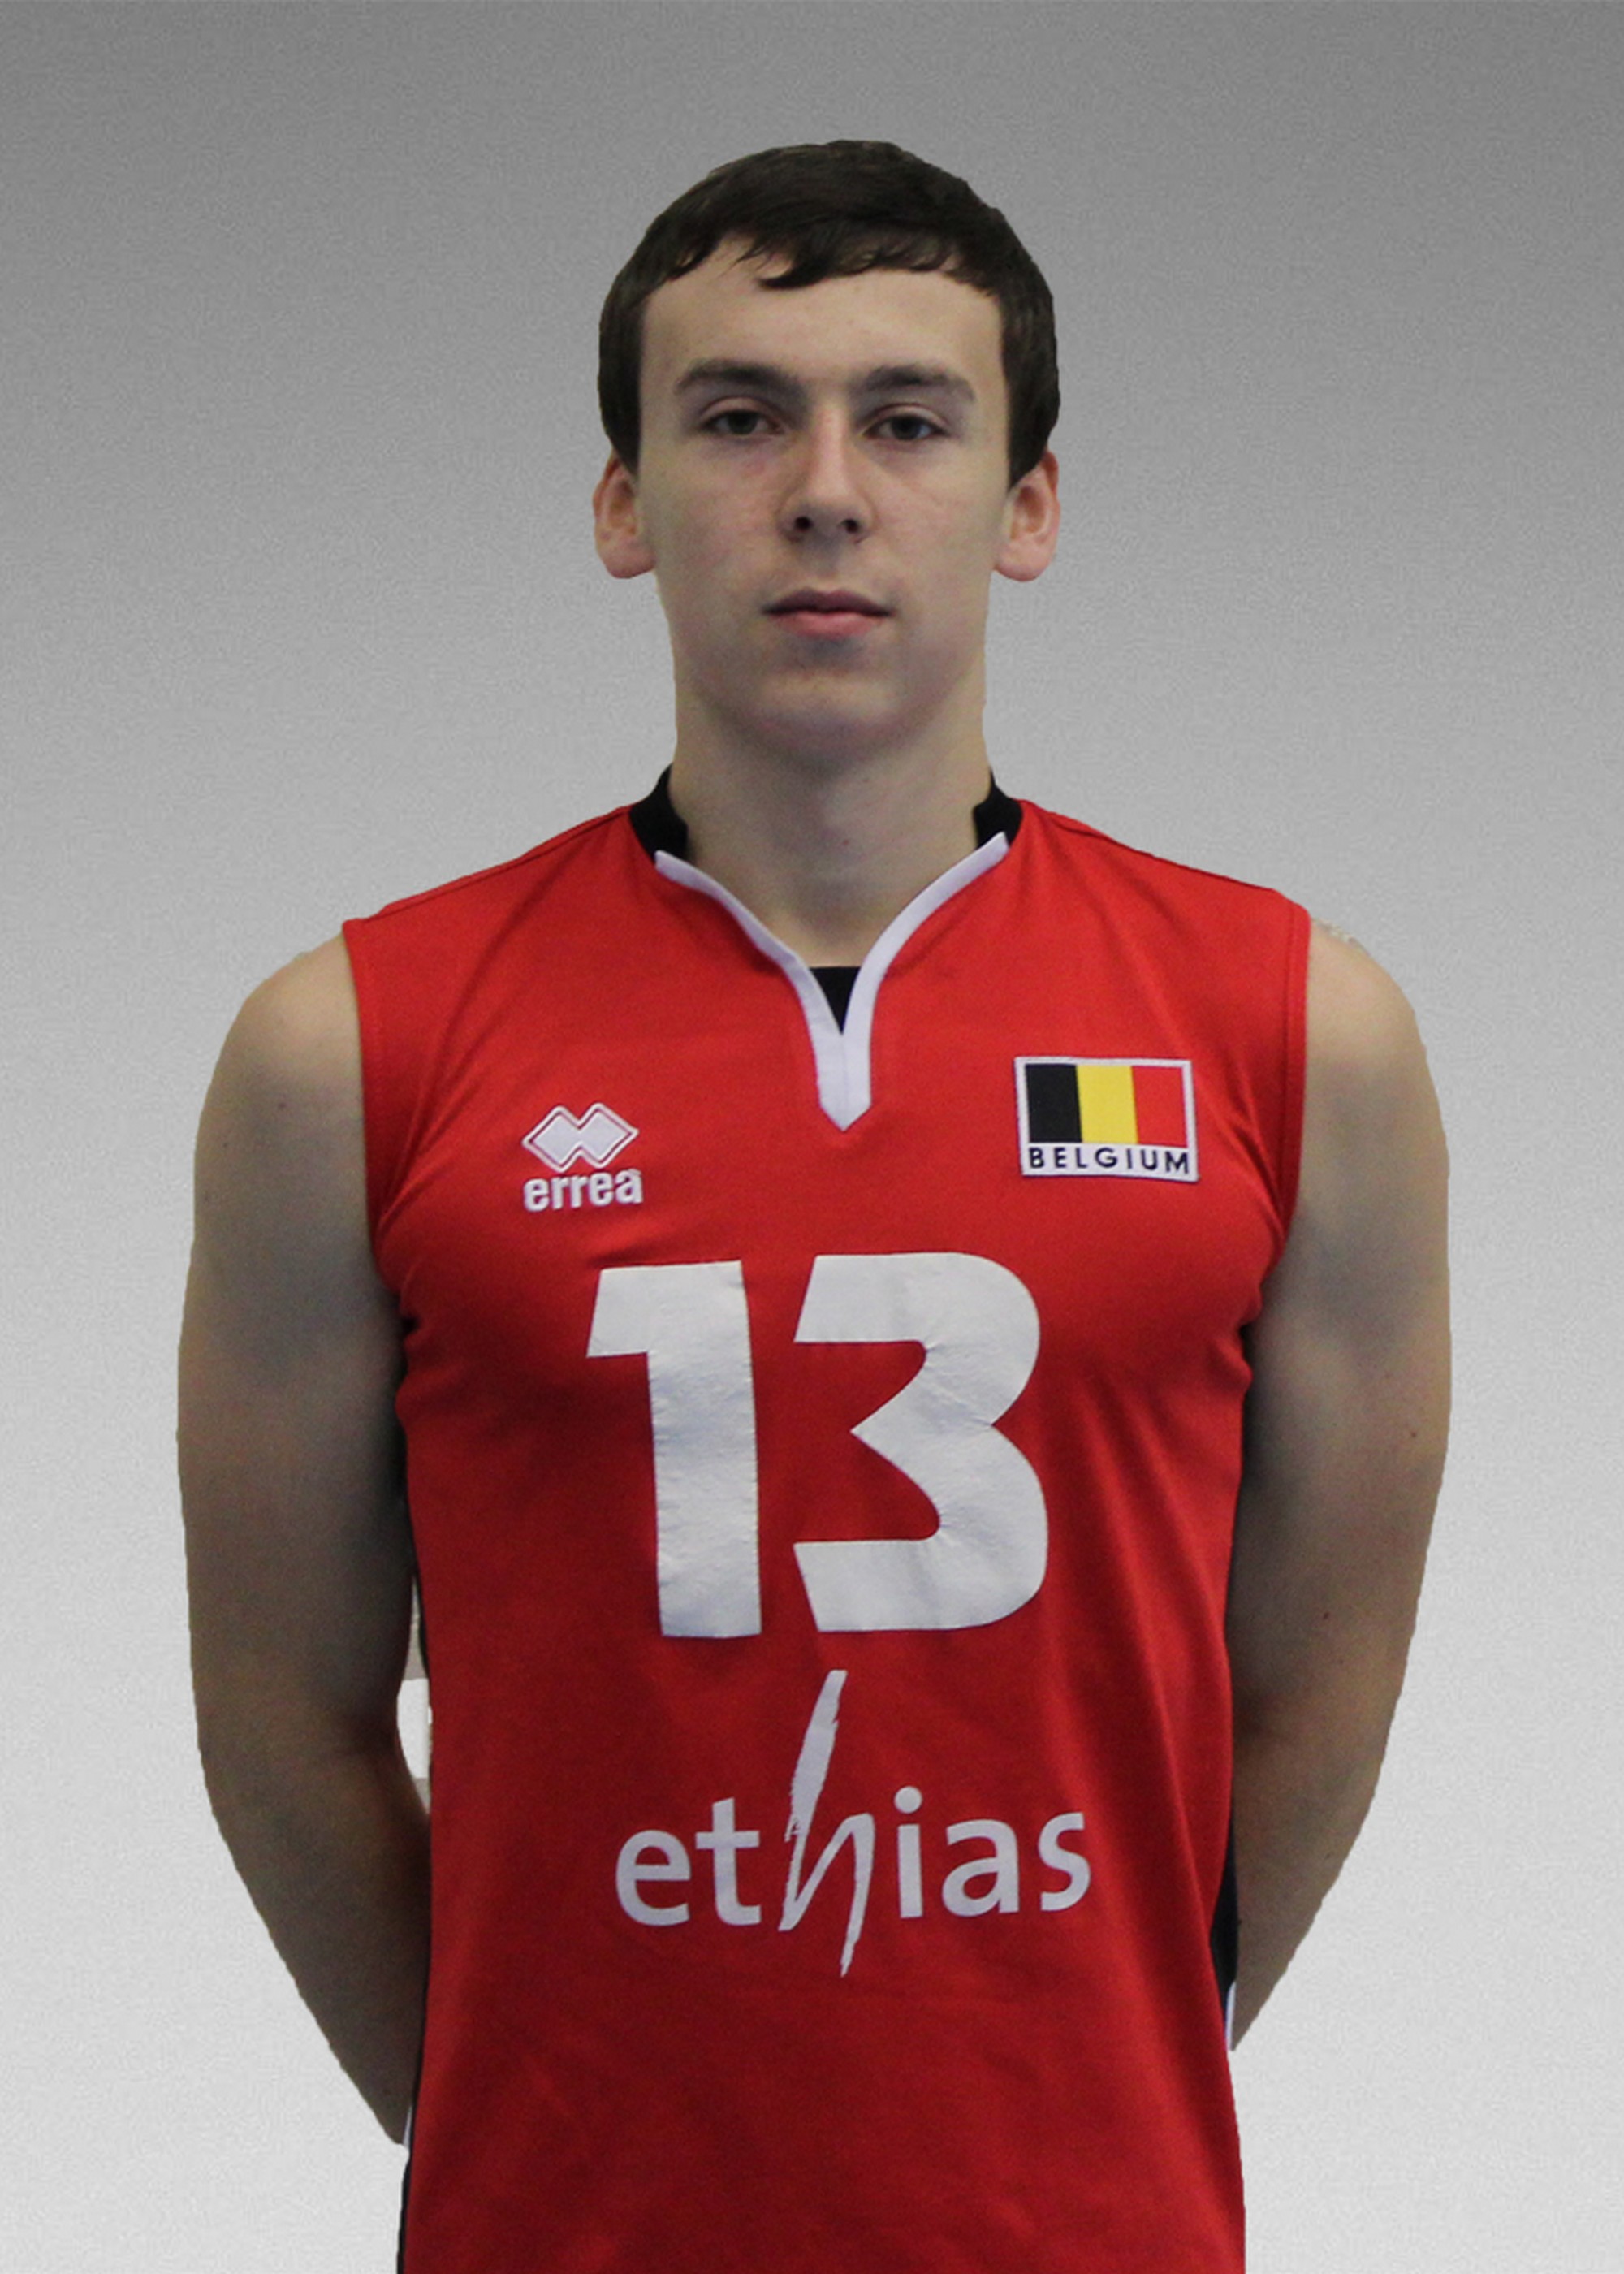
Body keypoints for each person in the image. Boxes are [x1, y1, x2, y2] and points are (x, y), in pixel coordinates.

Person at [179, 141, 1449, 2272]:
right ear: (624, 501)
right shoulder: (353, 1050)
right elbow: (281, 1716)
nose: (829, 491)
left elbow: (1320, 1684)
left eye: (912, 420)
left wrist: (1100, 2052)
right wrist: (523, 2116)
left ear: (1029, 506)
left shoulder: (1295, 1034)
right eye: (743, 416)